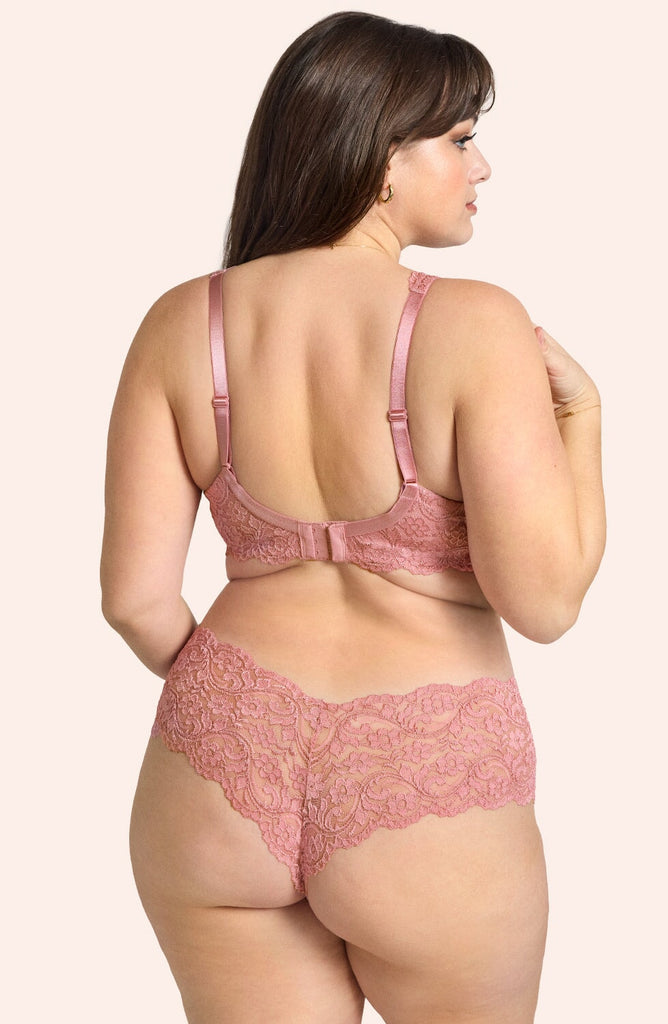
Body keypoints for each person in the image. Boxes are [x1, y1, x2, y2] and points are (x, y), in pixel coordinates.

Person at [101, 11, 605, 1024]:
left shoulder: (181, 321)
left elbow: (134, 601)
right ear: (380, 159)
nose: (481, 166)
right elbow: (545, 603)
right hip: (423, 771)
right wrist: (583, 420)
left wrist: (240, 709)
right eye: (458, 139)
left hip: (214, 768)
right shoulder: (472, 323)